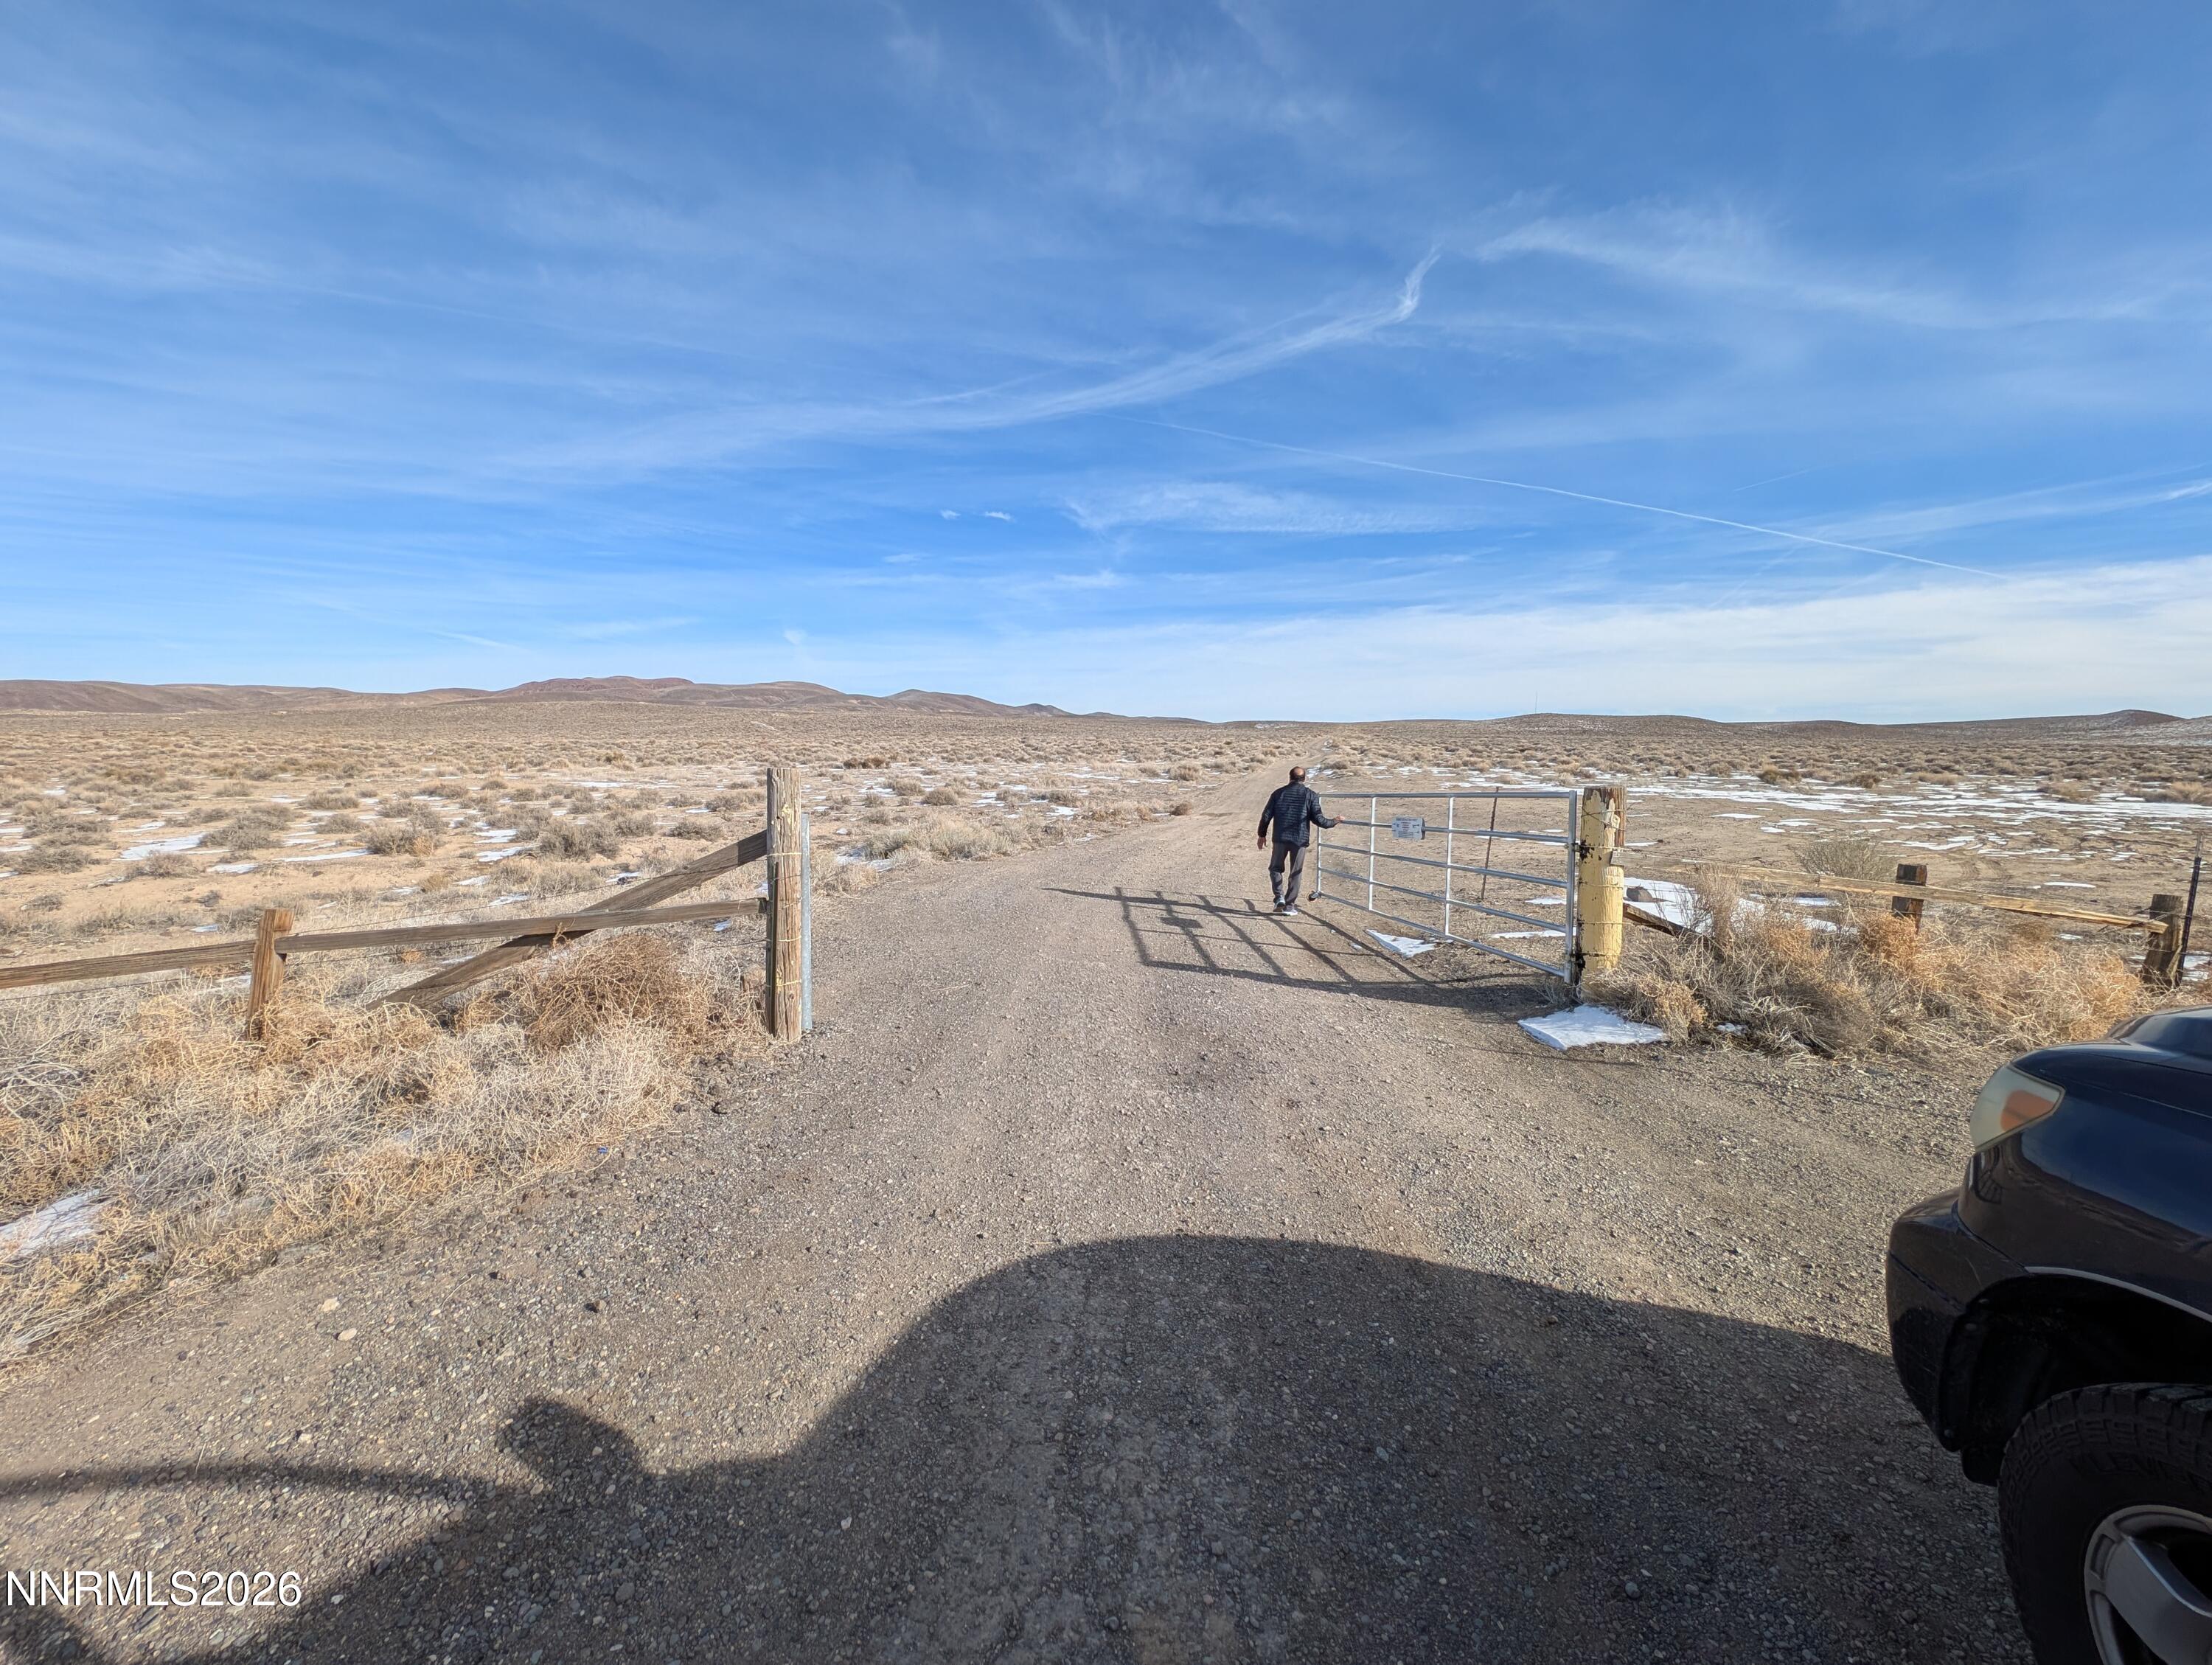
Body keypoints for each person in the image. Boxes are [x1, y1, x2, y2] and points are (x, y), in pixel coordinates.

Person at [1256, 765, 1338, 916]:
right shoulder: (1310, 795)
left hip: (1280, 838)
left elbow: (1266, 815)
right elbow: (1319, 820)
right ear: (1304, 779)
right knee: (1296, 873)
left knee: (1275, 868)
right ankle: (1289, 906)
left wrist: (1262, 834)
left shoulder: (1278, 793)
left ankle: (1279, 897)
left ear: (1290, 777)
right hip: (1300, 840)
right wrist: (1335, 821)